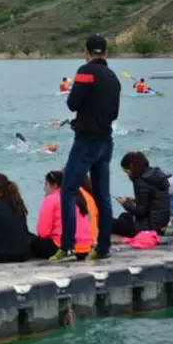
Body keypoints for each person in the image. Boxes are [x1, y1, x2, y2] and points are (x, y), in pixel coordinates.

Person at [53, 34, 120, 262]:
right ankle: (103, 248)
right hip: (106, 141)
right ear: (106, 53)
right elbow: (114, 114)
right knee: (103, 196)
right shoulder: (113, 77)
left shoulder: (85, 71)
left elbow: (72, 103)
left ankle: (67, 246)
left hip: (86, 141)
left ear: (87, 52)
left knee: (68, 190)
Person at [31, 171, 92, 259]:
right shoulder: (77, 196)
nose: (44, 188)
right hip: (85, 248)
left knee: (33, 242)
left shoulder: (51, 199)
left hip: (62, 248)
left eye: (46, 184)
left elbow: (43, 232)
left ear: (55, 185)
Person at [113, 152, 170, 237]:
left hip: (147, 230)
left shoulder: (140, 181)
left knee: (107, 221)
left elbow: (141, 212)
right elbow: (153, 201)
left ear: (131, 166)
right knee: (124, 216)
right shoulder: (155, 175)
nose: (128, 174)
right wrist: (134, 200)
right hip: (160, 227)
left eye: (127, 171)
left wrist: (124, 204)